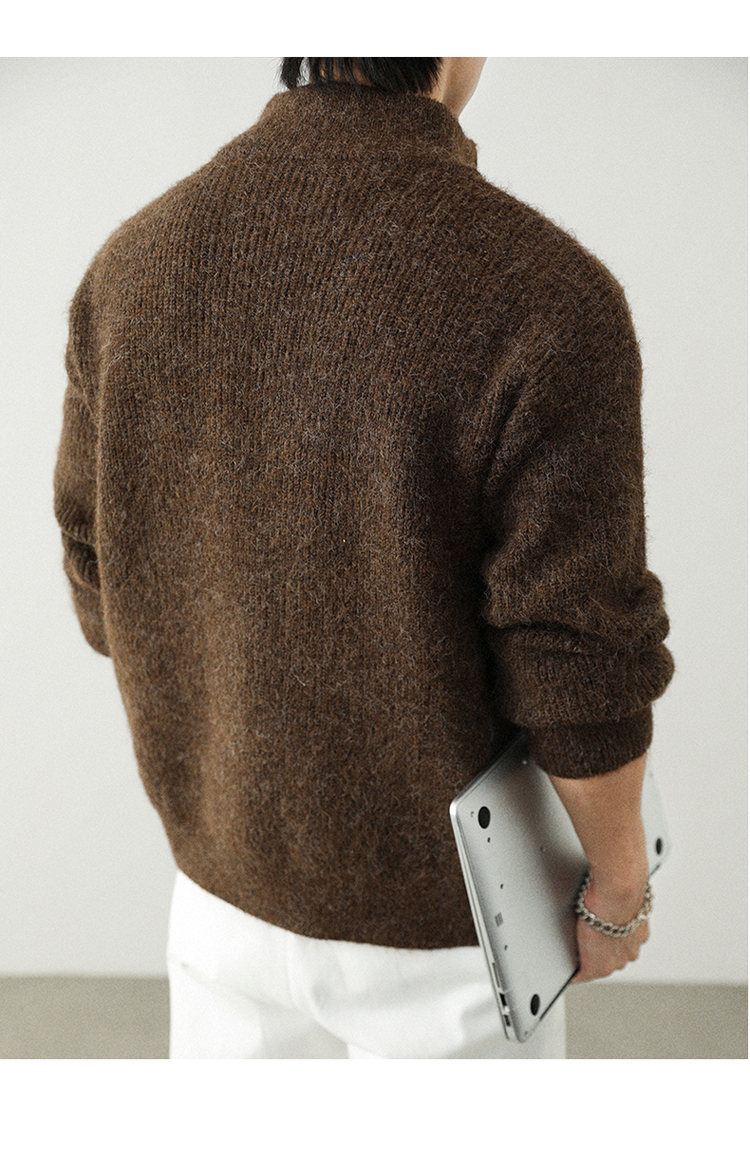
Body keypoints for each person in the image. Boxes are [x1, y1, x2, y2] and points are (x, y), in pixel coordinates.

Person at [52, 57, 675, 1059]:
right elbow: (576, 656)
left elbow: (100, 579)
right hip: (456, 939)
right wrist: (617, 883)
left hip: (222, 906)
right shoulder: (547, 299)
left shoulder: (137, 263)